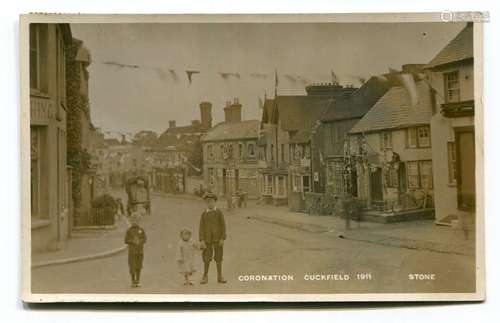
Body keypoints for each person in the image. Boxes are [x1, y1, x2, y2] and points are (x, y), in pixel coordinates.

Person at [199, 192, 227, 284]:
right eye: (208, 202)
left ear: (215, 202)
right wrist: (202, 240)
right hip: (207, 240)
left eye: (212, 202)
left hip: (218, 239)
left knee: (219, 257)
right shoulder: (204, 214)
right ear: (206, 203)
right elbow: (201, 227)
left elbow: (223, 226)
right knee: (206, 258)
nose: (210, 204)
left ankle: (220, 276)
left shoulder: (219, 213)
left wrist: (222, 238)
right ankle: (205, 276)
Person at [124, 212, 147, 287]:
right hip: (132, 252)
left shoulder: (141, 230)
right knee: (132, 266)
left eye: (137, 220)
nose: (135, 222)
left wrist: (139, 241)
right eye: (133, 220)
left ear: (139, 221)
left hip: (140, 252)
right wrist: (133, 241)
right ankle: (133, 280)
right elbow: (126, 240)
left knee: (139, 266)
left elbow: (144, 239)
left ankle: (138, 280)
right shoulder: (129, 230)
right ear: (130, 221)